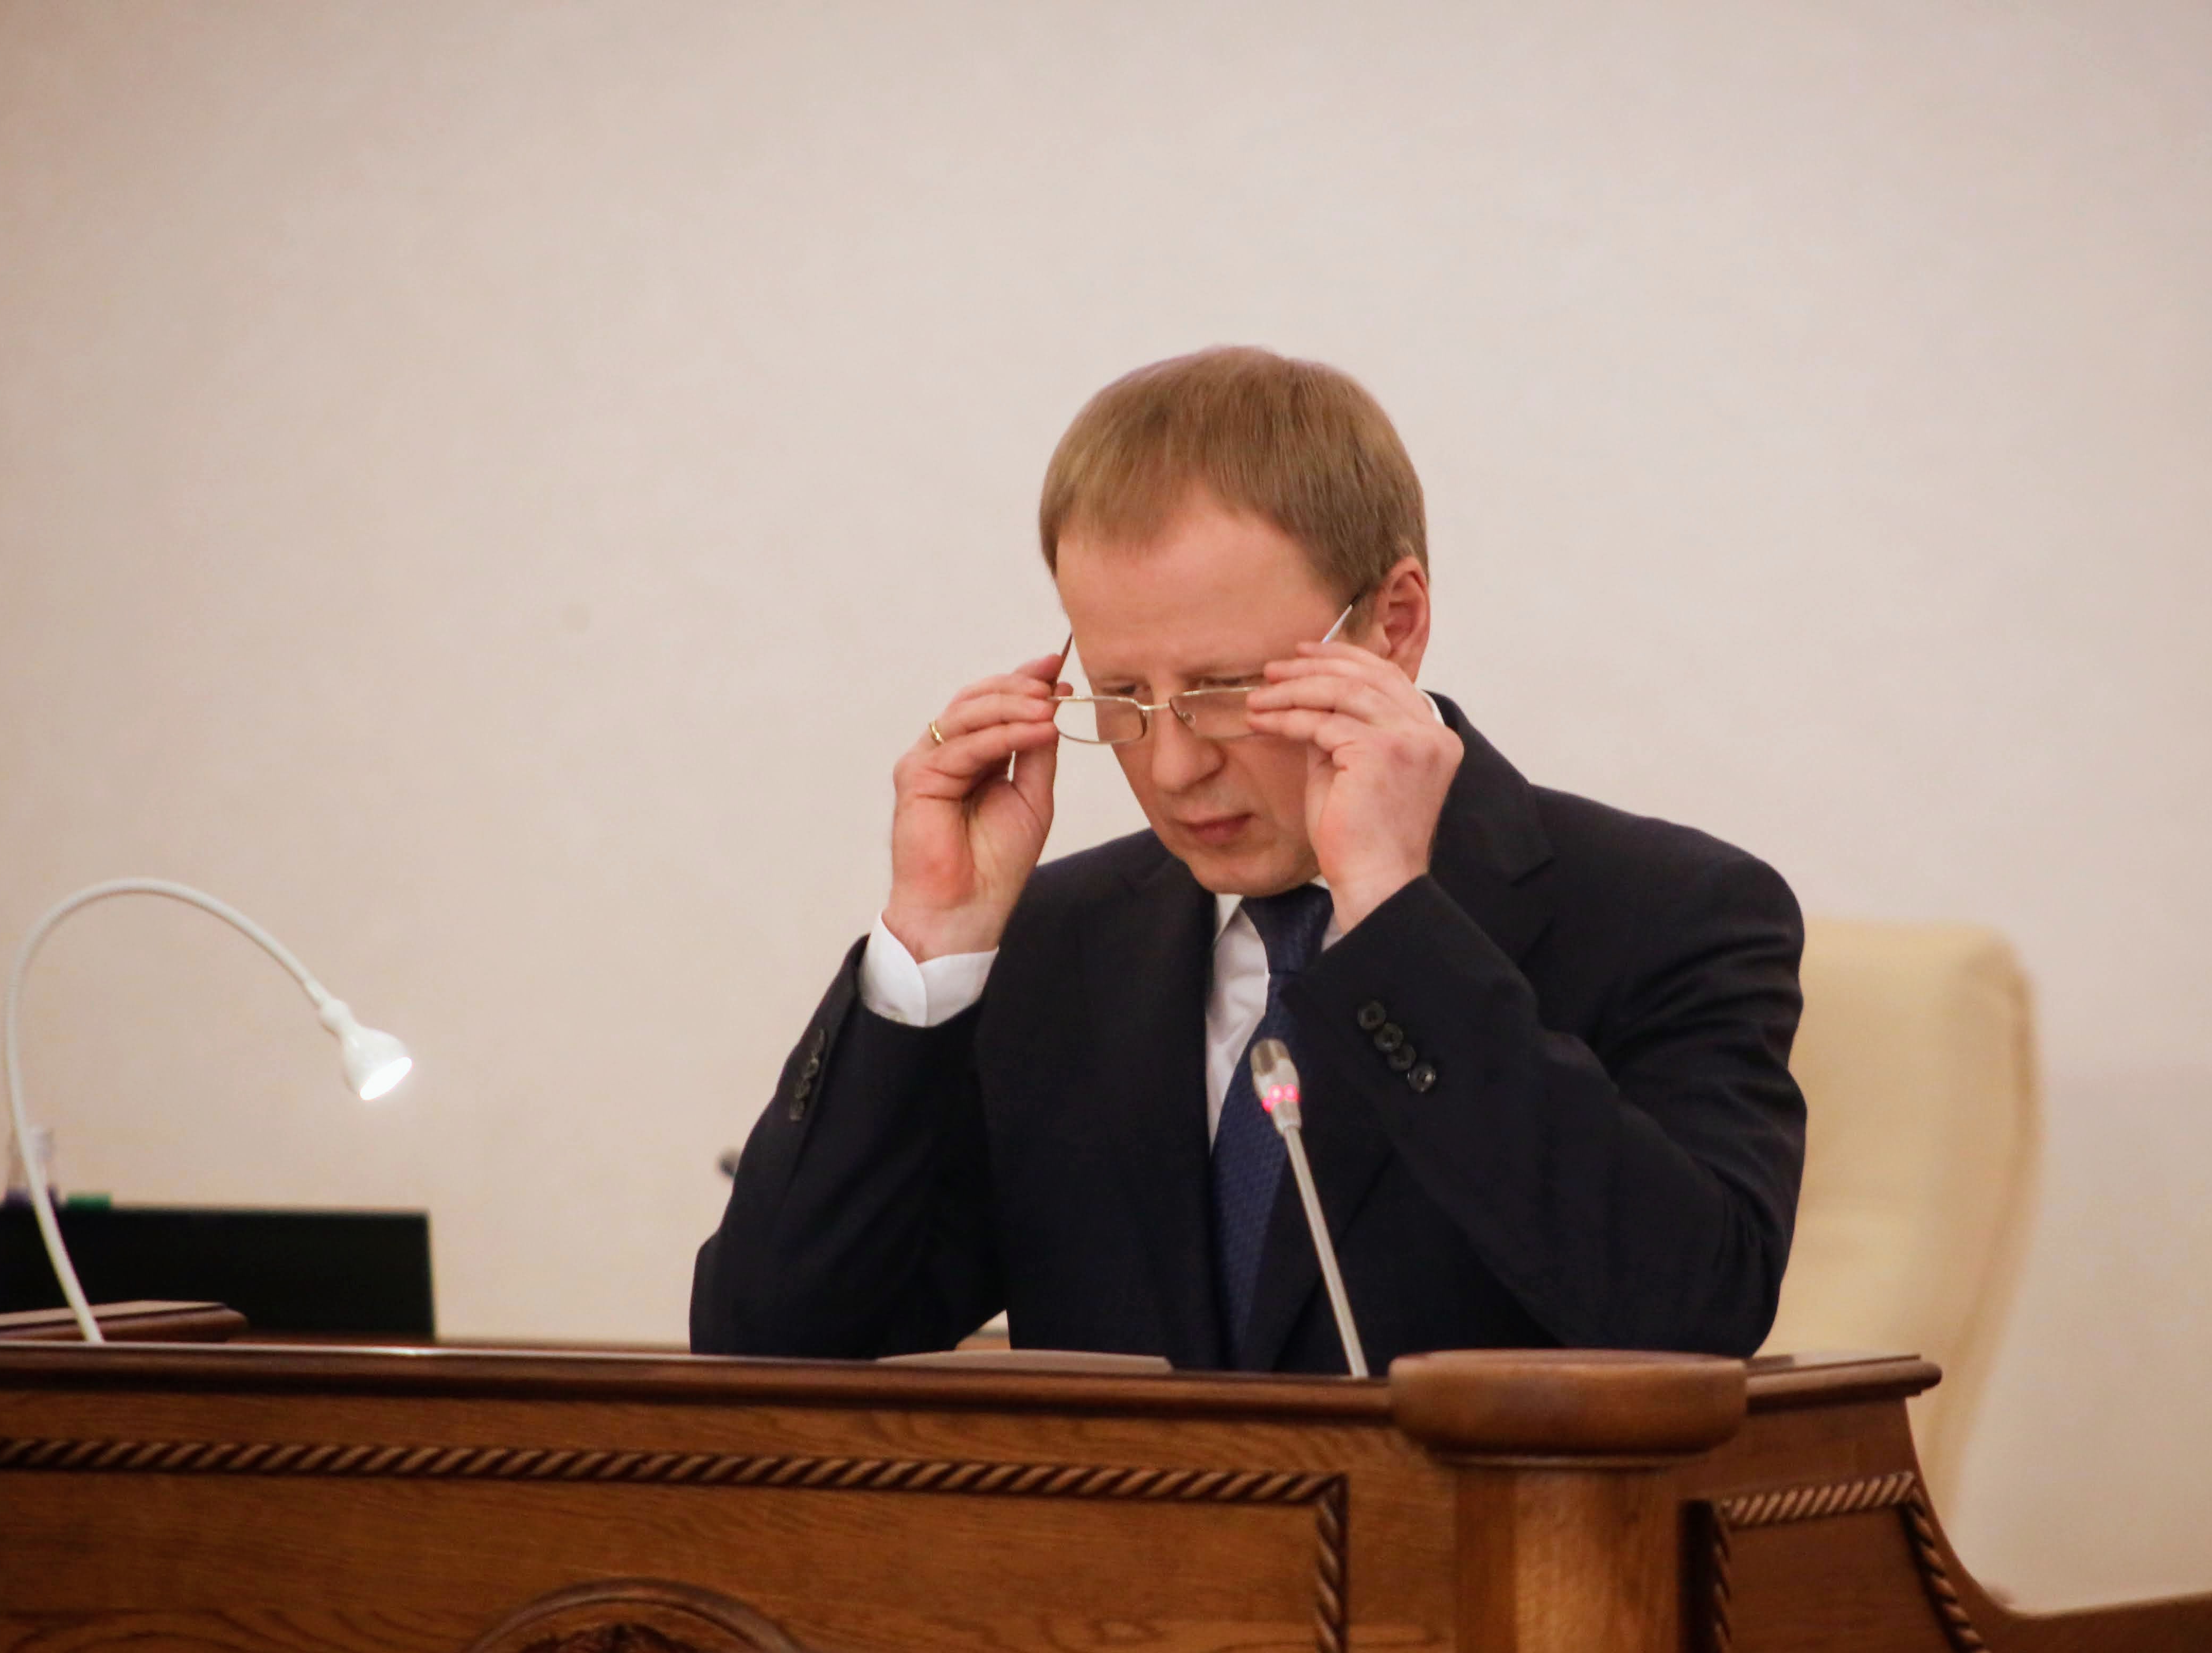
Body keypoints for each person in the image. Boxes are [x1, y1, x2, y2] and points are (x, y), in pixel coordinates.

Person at [692, 347, 1806, 1374]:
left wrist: (1393, 921)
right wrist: (928, 948)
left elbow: (1689, 1314)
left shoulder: (1674, 913)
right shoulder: (1057, 943)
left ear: (1393, 624)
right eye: (1123, 697)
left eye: (1225, 690)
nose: (1174, 766)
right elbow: (771, 1339)